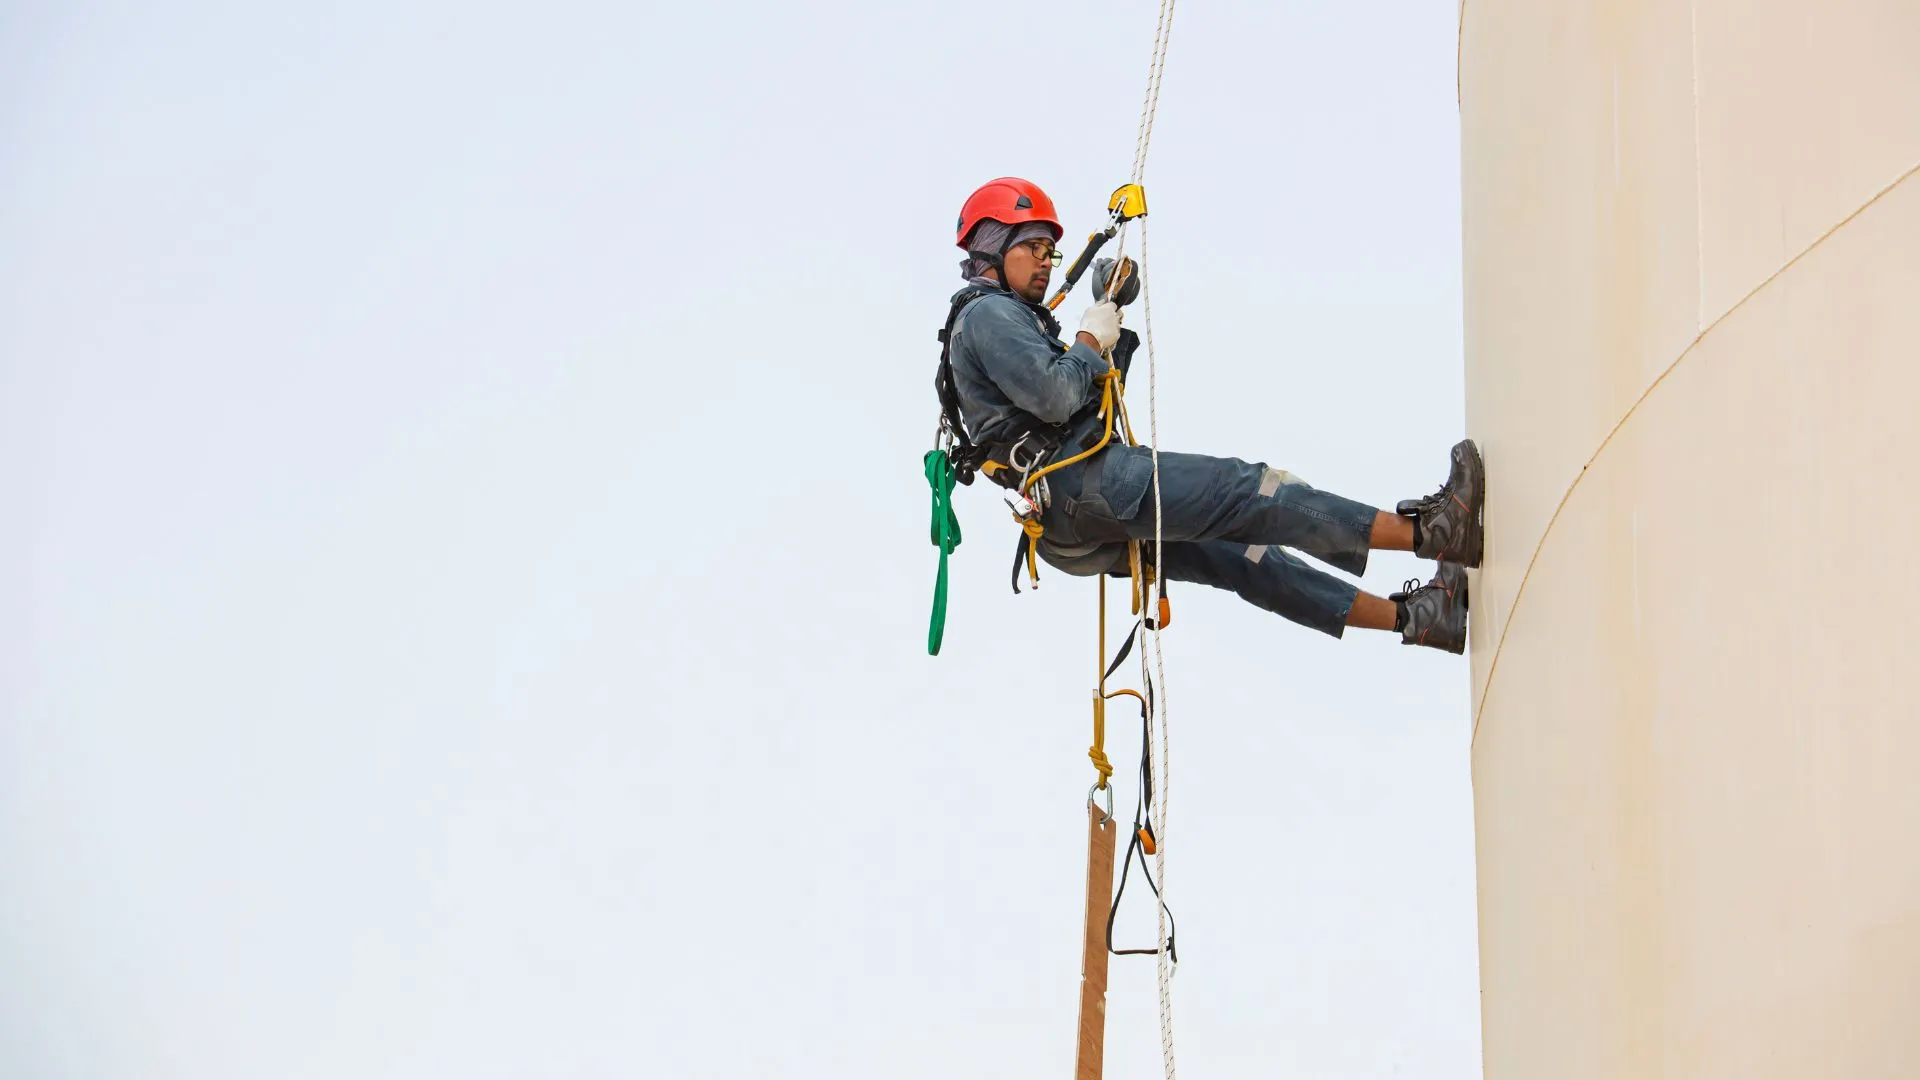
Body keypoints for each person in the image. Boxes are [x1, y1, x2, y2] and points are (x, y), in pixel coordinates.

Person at [935, 177, 1484, 653]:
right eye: (1031, 245)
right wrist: (1084, 339)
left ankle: (1420, 620)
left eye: (1050, 251)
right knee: (1254, 493)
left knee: (1245, 558)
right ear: (992, 248)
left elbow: (1087, 404)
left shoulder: (1011, 323)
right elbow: (1057, 396)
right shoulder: (988, 314)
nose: (1044, 262)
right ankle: (1433, 533)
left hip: (1071, 517)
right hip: (1084, 485)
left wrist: (1112, 325)